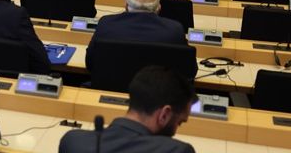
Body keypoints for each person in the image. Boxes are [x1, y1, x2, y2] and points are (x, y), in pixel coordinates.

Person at [59, 66, 197, 153]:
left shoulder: (72, 142)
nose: (175, 131)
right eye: (179, 123)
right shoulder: (177, 151)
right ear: (164, 115)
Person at [85, 0, 191, 71]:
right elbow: (188, 70)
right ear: (159, 8)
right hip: (157, 89)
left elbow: (90, 62)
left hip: (109, 87)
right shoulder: (174, 30)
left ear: (126, 6)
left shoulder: (106, 24)